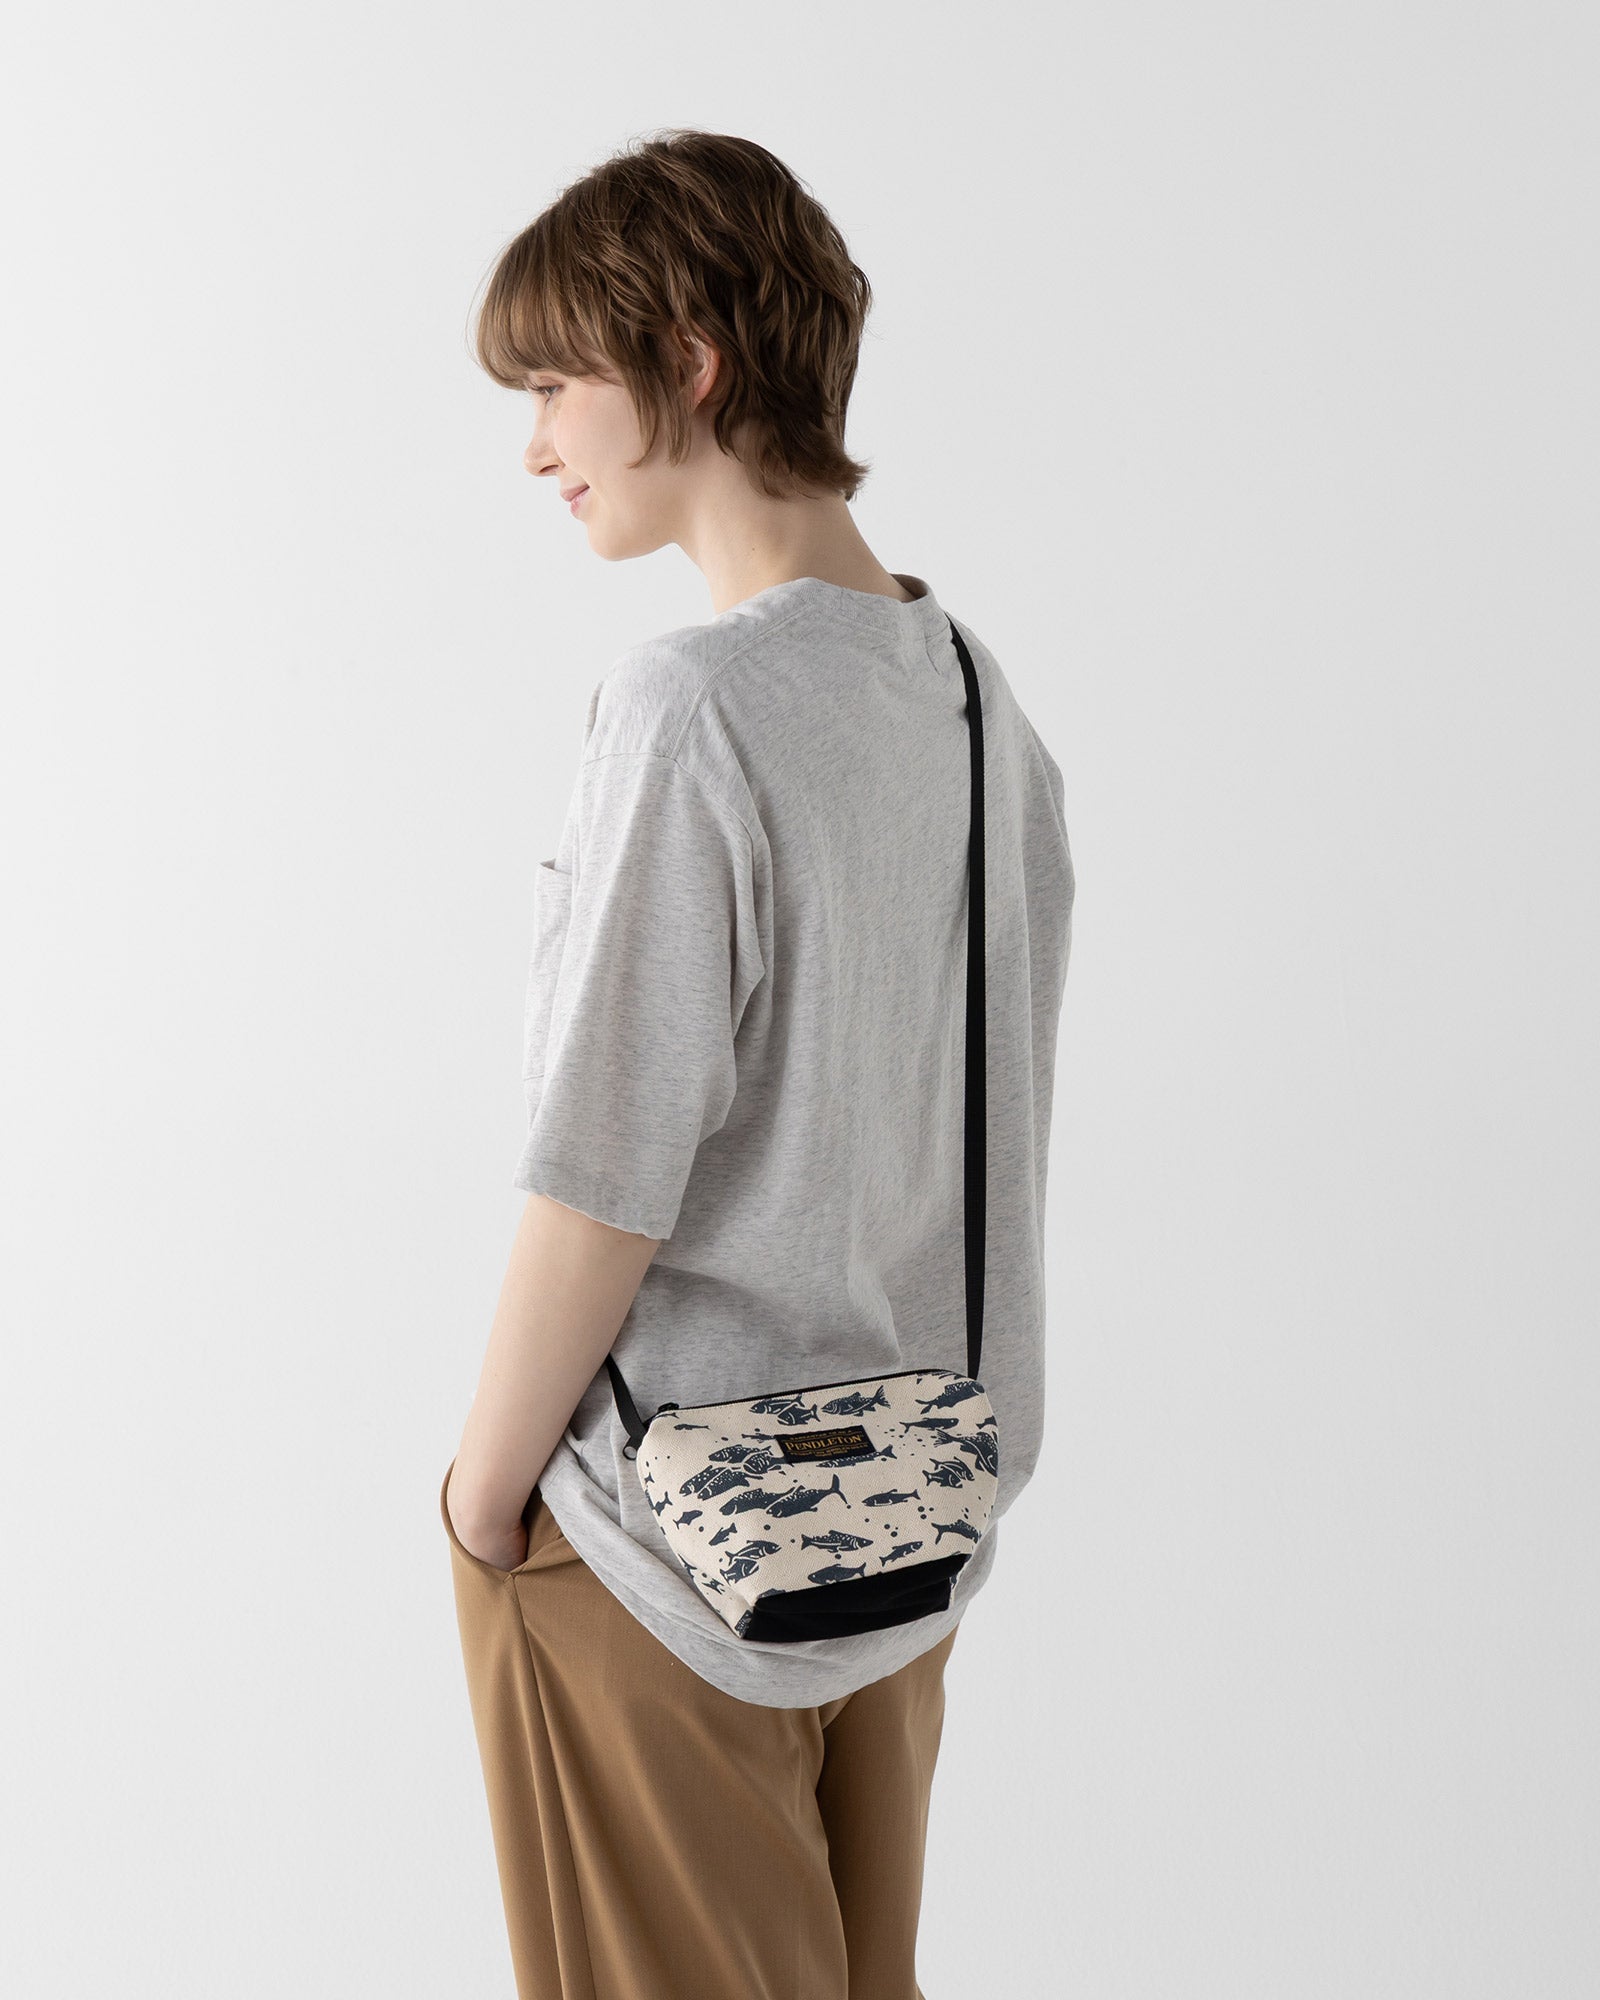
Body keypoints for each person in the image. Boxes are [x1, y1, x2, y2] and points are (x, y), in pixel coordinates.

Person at [441, 128, 1076, 2000]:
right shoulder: (977, 706)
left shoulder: (691, 708)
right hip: (902, 1526)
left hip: (665, 1546)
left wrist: (484, 1498)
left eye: (554, 382)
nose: (536, 445)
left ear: (690, 360)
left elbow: (603, 1174)